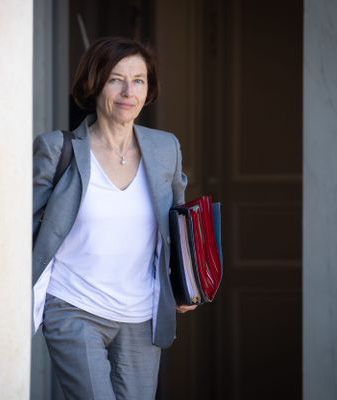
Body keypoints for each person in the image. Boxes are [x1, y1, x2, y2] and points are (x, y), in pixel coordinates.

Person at [32, 37, 196, 400]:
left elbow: (178, 223)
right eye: (115, 79)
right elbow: (25, 228)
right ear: (94, 84)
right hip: (73, 307)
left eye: (139, 80)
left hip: (142, 312)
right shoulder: (57, 149)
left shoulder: (164, 147)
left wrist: (185, 282)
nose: (128, 92)